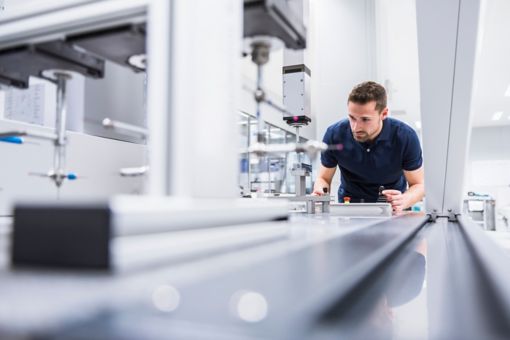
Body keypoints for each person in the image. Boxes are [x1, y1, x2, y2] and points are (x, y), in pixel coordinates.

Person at [313, 81, 424, 212]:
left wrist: (405, 199)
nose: (355, 127)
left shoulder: (405, 137)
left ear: (383, 114)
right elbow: (324, 178)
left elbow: (418, 185)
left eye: (365, 119)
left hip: (392, 209)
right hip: (350, 208)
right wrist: (320, 192)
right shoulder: (334, 135)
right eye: (352, 117)